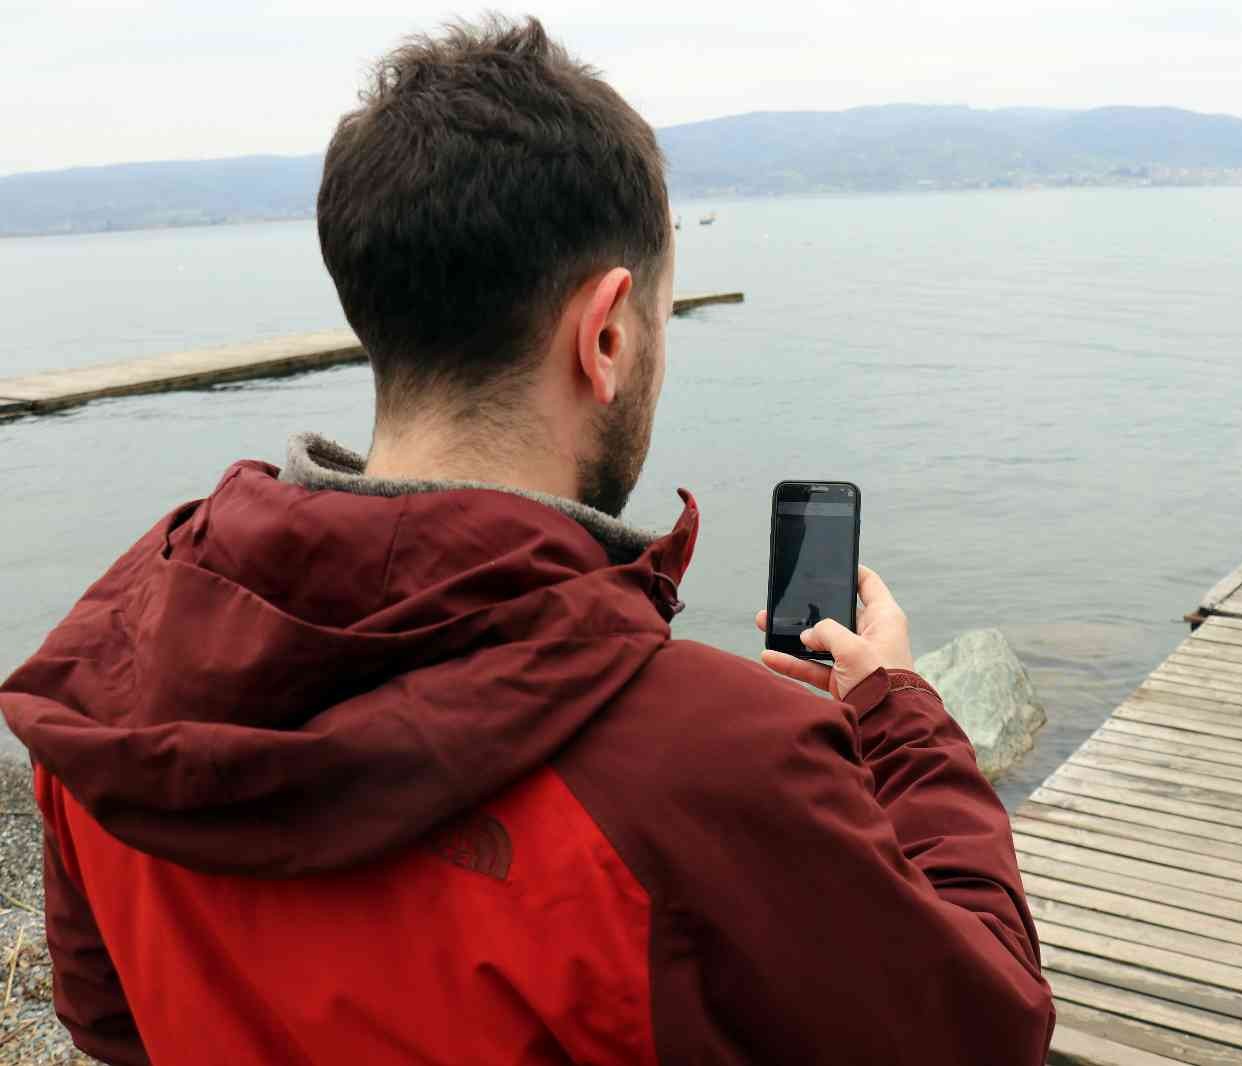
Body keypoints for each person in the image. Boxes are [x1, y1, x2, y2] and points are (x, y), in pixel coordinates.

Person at [1, 15, 1053, 1065]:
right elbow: (985, 1028)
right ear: (605, 334)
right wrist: (901, 721)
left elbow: (109, 1023)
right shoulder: (717, 762)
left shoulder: (117, 655)